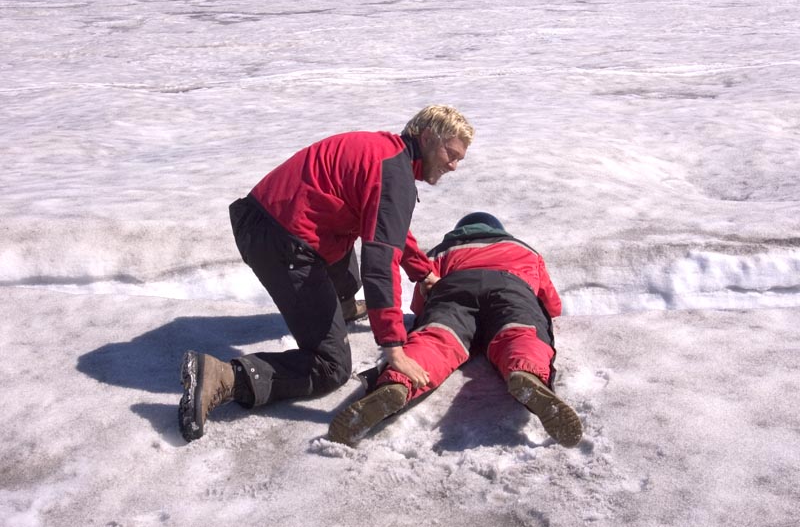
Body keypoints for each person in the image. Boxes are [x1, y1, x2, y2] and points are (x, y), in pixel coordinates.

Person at [178, 105, 475, 442]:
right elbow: (380, 263)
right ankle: (224, 378)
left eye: (459, 159)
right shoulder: (395, 176)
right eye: (451, 154)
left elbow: (386, 226)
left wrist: (423, 273)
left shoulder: (386, 153)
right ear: (427, 137)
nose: (453, 165)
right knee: (330, 367)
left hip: (267, 219)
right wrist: (393, 347)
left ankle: (338, 308)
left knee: (349, 276)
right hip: (280, 243)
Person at [327, 212, 583, 448]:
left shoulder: (441, 250)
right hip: (510, 287)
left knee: (437, 339)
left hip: (453, 289)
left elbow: (419, 303)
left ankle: (397, 384)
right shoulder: (523, 249)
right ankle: (527, 372)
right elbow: (552, 304)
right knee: (519, 332)